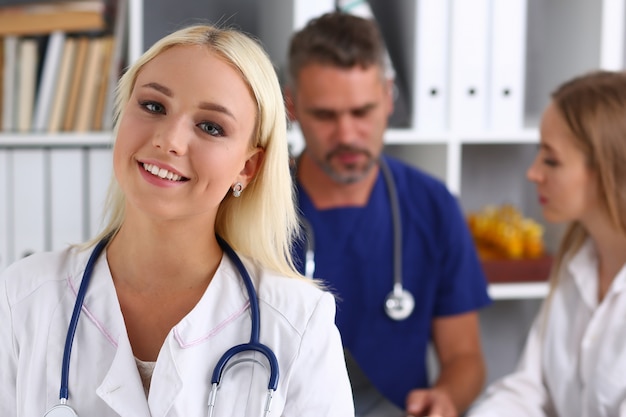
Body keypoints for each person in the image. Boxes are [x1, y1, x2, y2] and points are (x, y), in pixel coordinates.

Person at [0, 24, 354, 416]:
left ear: (248, 167)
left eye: (210, 127)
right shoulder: (21, 299)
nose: (169, 139)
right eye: (153, 106)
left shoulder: (298, 322)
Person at [286, 11, 492, 417]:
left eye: (362, 112)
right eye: (325, 115)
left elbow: (465, 358)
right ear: (291, 105)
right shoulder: (250, 208)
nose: (346, 135)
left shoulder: (433, 206)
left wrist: (446, 398)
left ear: (389, 96)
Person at [467, 70, 626, 417]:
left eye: (551, 160)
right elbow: (531, 389)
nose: (533, 173)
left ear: (609, 171)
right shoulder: (576, 262)